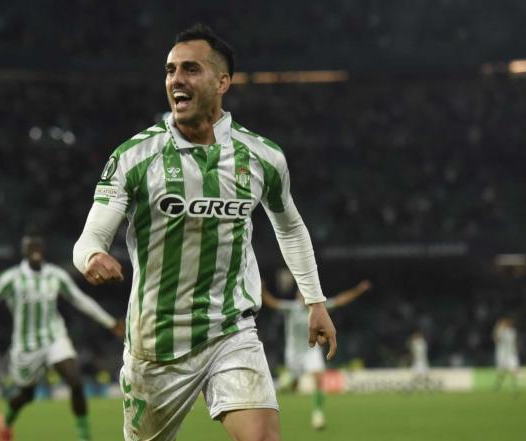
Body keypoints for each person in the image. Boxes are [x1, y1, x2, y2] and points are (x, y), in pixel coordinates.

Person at [73, 23, 337, 441]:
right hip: (155, 344)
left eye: (190, 69)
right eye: (170, 70)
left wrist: (315, 300)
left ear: (222, 81)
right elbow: (90, 235)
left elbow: (290, 227)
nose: (176, 79)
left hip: (231, 330)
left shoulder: (263, 157)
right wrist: (91, 256)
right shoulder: (134, 156)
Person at [0, 235, 124, 441]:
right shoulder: (11, 279)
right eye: (31, 248)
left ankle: (84, 438)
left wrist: (110, 322)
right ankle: (6, 421)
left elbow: (80, 299)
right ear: (24, 251)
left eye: (38, 246)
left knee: (75, 381)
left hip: (54, 338)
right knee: (26, 395)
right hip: (26, 348)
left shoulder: (55, 275)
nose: (35, 250)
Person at [262, 278, 371, 429]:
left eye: (304, 294)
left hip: (311, 350)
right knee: (292, 385)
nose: (302, 296)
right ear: (297, 296)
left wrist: (358, 290)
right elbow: (272, 303)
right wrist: (262, 291)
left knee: (318, 378)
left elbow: (340, 300)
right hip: (293, 353)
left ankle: (318, 415)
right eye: (300, 294)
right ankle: (284, 383)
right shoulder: (291, 308)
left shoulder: (318, 308)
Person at [493, 317, 519, 393]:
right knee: (501, 372)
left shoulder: (513, 331)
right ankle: (498, 384)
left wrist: (516, 349)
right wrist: (497, 328)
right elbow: (496, 339)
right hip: (502, 355)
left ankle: (514, 387)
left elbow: (515, 341)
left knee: (513, 370)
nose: (507, 324)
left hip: (511, 354)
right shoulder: (501, 331)